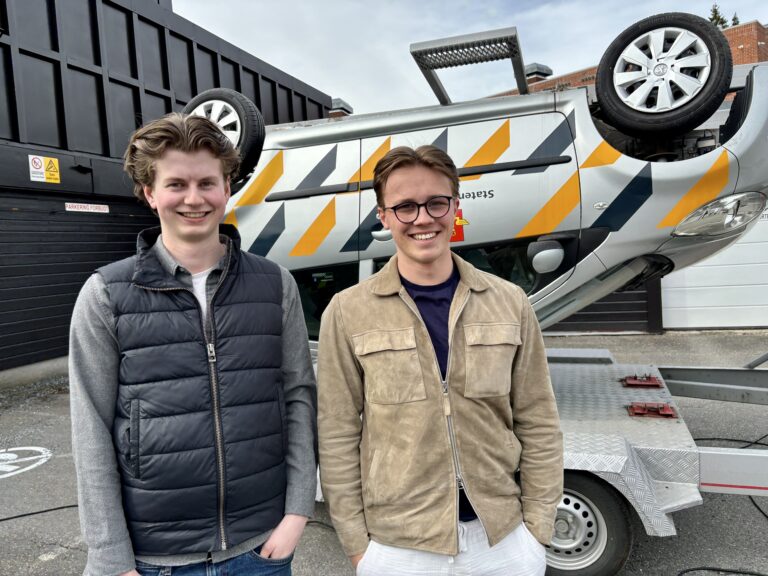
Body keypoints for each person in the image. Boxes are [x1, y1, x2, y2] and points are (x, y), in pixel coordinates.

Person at [69, 113, 317, 576]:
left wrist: (297, 511)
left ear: (227, 187)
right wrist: (109, 556)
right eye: (176, 184)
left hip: (261, 549)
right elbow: (90, 428)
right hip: (154, 560)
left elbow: (298, 397)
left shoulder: (275, 284)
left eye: (207, 183)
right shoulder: (105, 294)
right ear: (149, 192)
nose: (194, 198)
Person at [317, 145, 563, 575]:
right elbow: (337, 432)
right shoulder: (348, 310)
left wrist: (537, 528)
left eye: (436, 202)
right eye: (405, 207)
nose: (423, 218)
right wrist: (358, 546)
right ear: (384, 216)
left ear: (455, 207)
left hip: (503, 540)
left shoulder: (509, 302)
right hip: (398, 546)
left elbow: (538, 418)